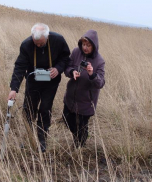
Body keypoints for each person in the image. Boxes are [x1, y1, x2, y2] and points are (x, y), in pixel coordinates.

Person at [8, 23, 70, 152]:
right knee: (28, 109)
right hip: (33, 81)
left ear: (47, 37)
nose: (38, 45)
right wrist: (14, 88)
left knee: (45, 109)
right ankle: (29, 138)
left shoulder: (58, 40)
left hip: (51, 82)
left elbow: (66, 58)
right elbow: (19, 67)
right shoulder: (26, 44)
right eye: (35, 43)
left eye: (41, 43)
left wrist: (58, 69)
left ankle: (42, 140)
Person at [63, 29, 105, 148]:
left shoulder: (99, 61)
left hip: (86, 102)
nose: (85, 47)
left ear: (94, 46)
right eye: (83, 44)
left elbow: (100, 83)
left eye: (88, 45)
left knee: (81, 126)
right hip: (70, 97)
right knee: (66, 119)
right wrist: (72, 72)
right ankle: (79, 138)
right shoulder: (76, 52)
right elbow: (68, 67)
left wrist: (92, 74)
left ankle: (80, 146)